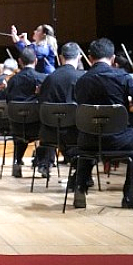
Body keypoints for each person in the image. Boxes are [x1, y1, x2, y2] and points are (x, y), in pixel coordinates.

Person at [72, 37, 133, 209]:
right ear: (113, 58)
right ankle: (130, 196)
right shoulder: (122, 76)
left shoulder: (81, 80)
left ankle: (80, 188)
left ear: (90, 58)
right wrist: (127, 104)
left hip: (88, 140)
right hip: (119, 139)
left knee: (88, 140)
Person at [37, 42, 85, 178]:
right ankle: (82, 173)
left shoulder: (49, 78)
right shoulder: (81, 78)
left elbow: (42, 104)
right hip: (74, 133)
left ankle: (44, 163)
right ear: (79, 57)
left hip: (49, 133)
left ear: (60, 57)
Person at [5, 47, 46, 178]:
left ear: (19, 62)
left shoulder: (12, 80)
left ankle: (17, 162)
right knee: (49, 130)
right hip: (37, 127)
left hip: (16, 126)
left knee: (20, 131)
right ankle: (43, 165)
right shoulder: (42, 78)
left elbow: (8, 101)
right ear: (36, 61)